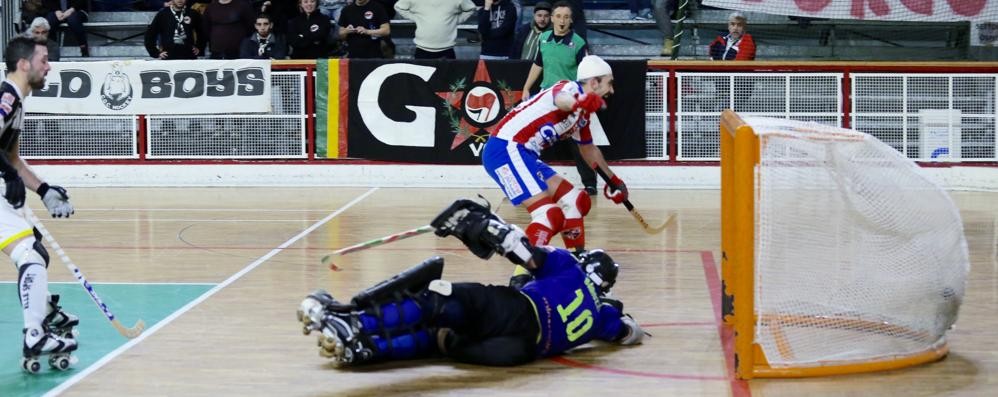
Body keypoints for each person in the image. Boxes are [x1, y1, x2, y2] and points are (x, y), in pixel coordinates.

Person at [297, 198, 643, 366]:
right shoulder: (603, 317)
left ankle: (354, 322)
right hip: (517, 353)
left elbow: (530, 259)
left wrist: (500, 234)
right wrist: (620, 315)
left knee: (441, 300)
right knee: (439, 339)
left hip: (519, 314)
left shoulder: (570, 266)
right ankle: (365, 349)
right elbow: (631, 333)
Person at [486, 55, 629, 288]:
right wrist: (578, 103)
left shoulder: (582, 115)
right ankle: (520, 277)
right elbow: (562, 100)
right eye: (608, 83)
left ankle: (575, 261)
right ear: (593, 83)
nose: (611, 90)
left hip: (524, 155)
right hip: (505, 148)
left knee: (577, 200)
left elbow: (589, 150)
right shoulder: (567, 88)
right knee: (549, 215)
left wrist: (614, 181)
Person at [2, 36, 79, 374]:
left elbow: (12, 159)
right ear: (24, 64)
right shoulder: (5, 98)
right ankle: (36, 332)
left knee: (37, 254)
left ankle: (46, 314)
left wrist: (44, 189)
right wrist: (8, 176)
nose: (48, 67)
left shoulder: (17, 102)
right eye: (44, 60)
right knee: (29, 256)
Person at [520, 1, 597, 197]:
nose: (562, 20)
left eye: (566, 17)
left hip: (570, 98)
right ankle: (528, 181)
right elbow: (538, 64)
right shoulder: (543, 38)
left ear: (571, 20)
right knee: (534, 140)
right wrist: (527, 88)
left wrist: (583, 97)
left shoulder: (578, 43)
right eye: (558, 16)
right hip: (546, 98)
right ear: (552, 18)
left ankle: (590, 184)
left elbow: (586, 72)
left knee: (578, 142)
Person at [394, 0, 477, 59]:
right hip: (422, 49)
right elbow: (398, 6)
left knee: (447, 82)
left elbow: (471, 8)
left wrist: (457, 20)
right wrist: (415, 18)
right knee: (422, 83)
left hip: (447, 49)